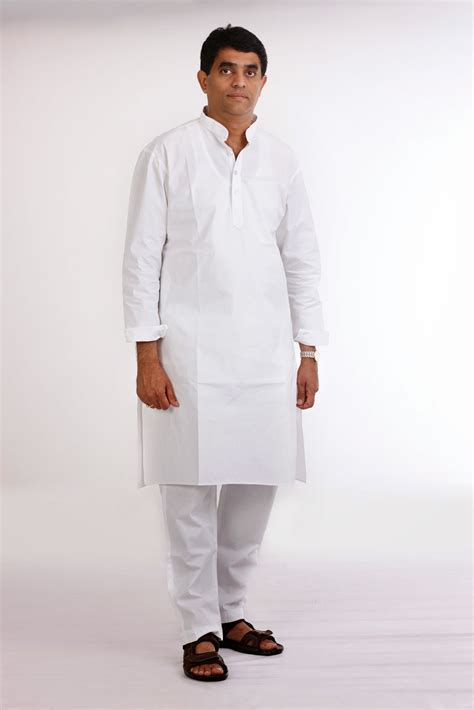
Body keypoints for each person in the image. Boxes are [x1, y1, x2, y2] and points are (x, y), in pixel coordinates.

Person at [122, 24, 329, 681]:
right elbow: (140, 258)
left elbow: (301, 258)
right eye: (226, 69)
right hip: (189, 354)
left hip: (265, 356)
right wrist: (147, 354)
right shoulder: (169, 153)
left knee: (252, 488)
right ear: (204, 78)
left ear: (263, 81)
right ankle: (197, 628)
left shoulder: (282, 161)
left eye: (250, 70)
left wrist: (307, 348)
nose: (239, 81)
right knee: (188, 493)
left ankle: (232, 612)